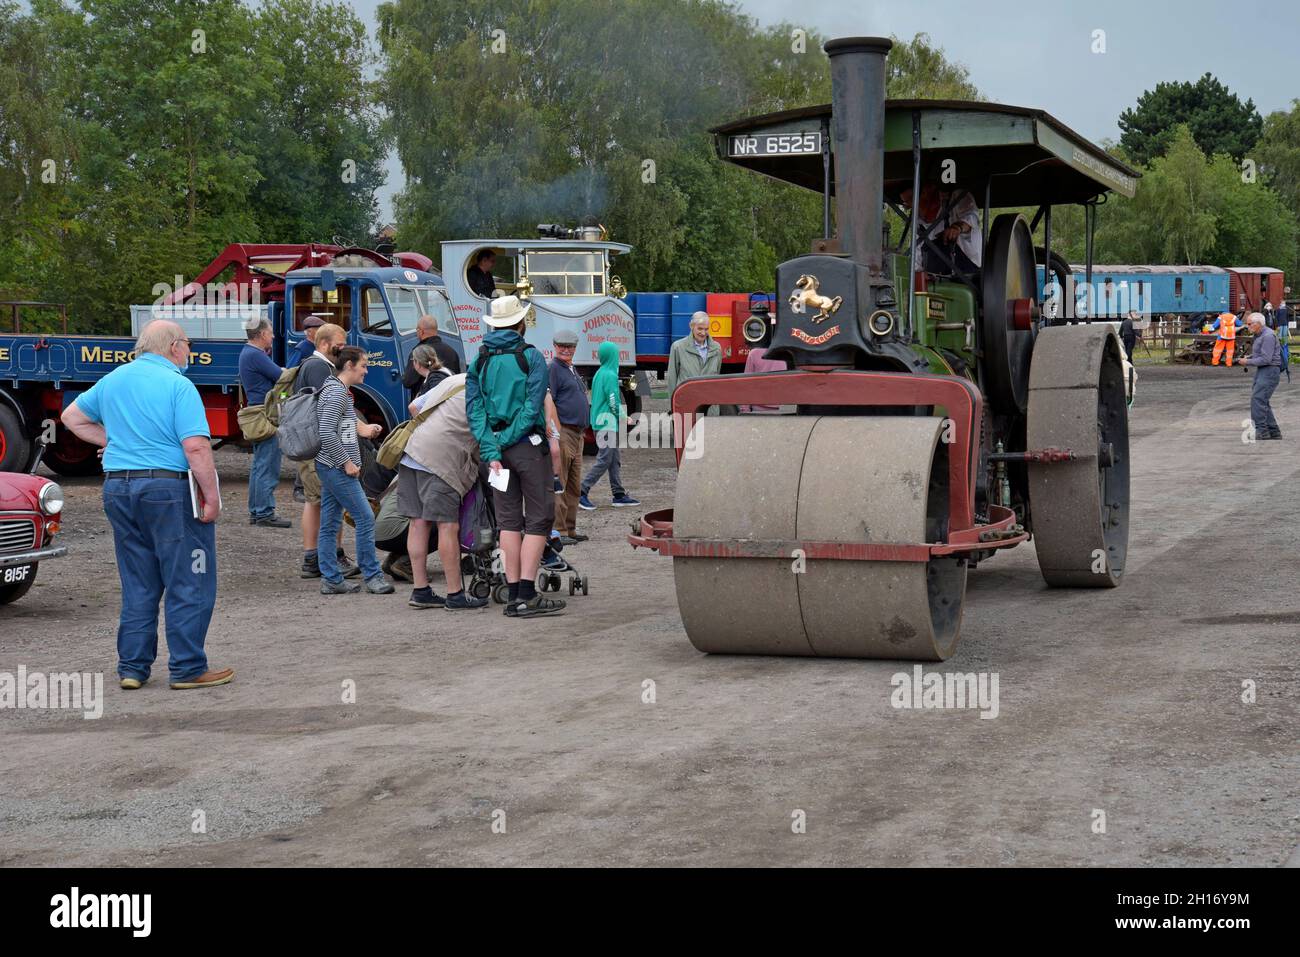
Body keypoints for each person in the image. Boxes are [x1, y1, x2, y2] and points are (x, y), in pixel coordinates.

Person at [60, 320, 234, 691]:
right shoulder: (178, 385)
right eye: (187, 343)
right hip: (167, 491)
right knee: (191, 577)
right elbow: (197, 447)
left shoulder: (114, 379)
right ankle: (188, 667)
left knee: (138, 581)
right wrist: (212, 496)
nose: (188, 351)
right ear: (173, 346)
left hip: (119, 488)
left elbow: (71, 417)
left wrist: (118, 441)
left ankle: (133, 669)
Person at [465, 295, 566, 617]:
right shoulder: (531, 356)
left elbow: (474, 409)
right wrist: (508, 439)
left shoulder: (479, 359)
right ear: (521, 324)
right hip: (526, 446)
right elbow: (532, 407)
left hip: (494, 450)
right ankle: (526, 593)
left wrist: (492, 446)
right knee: (539, 517)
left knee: (508, 520)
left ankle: (512, 595)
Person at [399, 371, 487, 609]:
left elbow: (414, 406)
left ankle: (420, 590)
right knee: (448, 525)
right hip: (441, 461)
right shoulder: (487, 392)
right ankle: (455, 594)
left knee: (418, 523)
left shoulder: (455, 379)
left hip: (412, 452)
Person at [315, 346, 394, 594]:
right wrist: (347, 462)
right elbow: (326, 432)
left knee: (329, 522)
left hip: (328, 464)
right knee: (365, 517)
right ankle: (372, 576)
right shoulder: (337, 394)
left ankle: (331, 578)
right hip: (336, 467)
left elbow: (339, 426)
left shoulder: (335, 389)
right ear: (349, 365)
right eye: (363, 365)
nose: (366, 371)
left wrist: (364, 430)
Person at [294, 323, 360, 580]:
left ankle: (321, 557)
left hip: (315, 446)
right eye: (339, 344)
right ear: (323, 344)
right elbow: (333, 413)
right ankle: (322, 558)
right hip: (319, 449)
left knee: (319, 501)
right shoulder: (320, 368)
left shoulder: (316, 366)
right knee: (319, 501)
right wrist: (361, 430)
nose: (343, 349)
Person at [238, 317, 290, 528]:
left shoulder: (249, 354)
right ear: (261, 335)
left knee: (260, 465)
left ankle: (257, 511)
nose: (273, 336)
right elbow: (281, 377)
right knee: (267, 465)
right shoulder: (255, 355)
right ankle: (263, 513)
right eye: (270, 332)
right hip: (265, 414)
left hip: (258, 413)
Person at [578, 341, 641, 511]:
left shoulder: (600, 373)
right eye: (617, 354)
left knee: (614, 460)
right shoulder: (611, 375)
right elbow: (613, 400)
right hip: (607, 423)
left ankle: (618, 494)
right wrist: (623, 416)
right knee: (605, 458)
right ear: (613, 356)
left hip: (601, 422)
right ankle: (582, 491)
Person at [547, 329, 589, 543]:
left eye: (569, 346)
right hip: (564, 432)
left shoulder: (570, 369)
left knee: (574, 485)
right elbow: (548, 401)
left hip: (577, 433)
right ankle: (559, 530)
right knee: (560, 482)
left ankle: (570, 529)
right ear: (555, 346)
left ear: (575, 347)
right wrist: (555, 432)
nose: (565, 349)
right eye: (561, 345)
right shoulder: (554, 369)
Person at [901, 183, 983, 274]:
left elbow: (971, 218)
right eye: (907, 204)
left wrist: (957, 228)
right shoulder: (918, 224)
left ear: (930, 189)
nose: (912, 205)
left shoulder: (956, 198)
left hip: (967, 278)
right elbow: (915, 261)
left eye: (913, 198)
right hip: (936, 283)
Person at [1240, 312, 1283, 440]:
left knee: (1257, 400)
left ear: (1258, 324)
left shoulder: (1268, 336)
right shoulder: (1260, 335)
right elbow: (1263, 354)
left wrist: (1247, 362)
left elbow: (1266, 359)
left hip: (1269, 370)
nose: (1247, 326)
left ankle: (1262, 431)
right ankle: (1273, 431)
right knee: (1261, 400)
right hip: (1264, 370)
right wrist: (1250, 357)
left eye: (1249, 324)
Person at [666, 312, 723, 396]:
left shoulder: (717, 348)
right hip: (687, 402)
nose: (703, 333)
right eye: (700, 329)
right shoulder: (678, 347)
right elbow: (672, 378)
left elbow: (716, 374)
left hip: (709, 403)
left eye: (706, 329)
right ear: (691, 326)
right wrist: (674, 404)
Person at [402, 315, 461, 395]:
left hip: (425, 403)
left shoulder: (418, 353)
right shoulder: (452, 352)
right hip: (448, 402)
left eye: (417, 329)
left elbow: (408, 382)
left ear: (421, 331)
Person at [739, 346, 788, 413]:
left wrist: (745, 410)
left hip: (758, 408)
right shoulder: (785, 352)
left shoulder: (754, 353)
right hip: (782, 408)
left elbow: (746, 384)